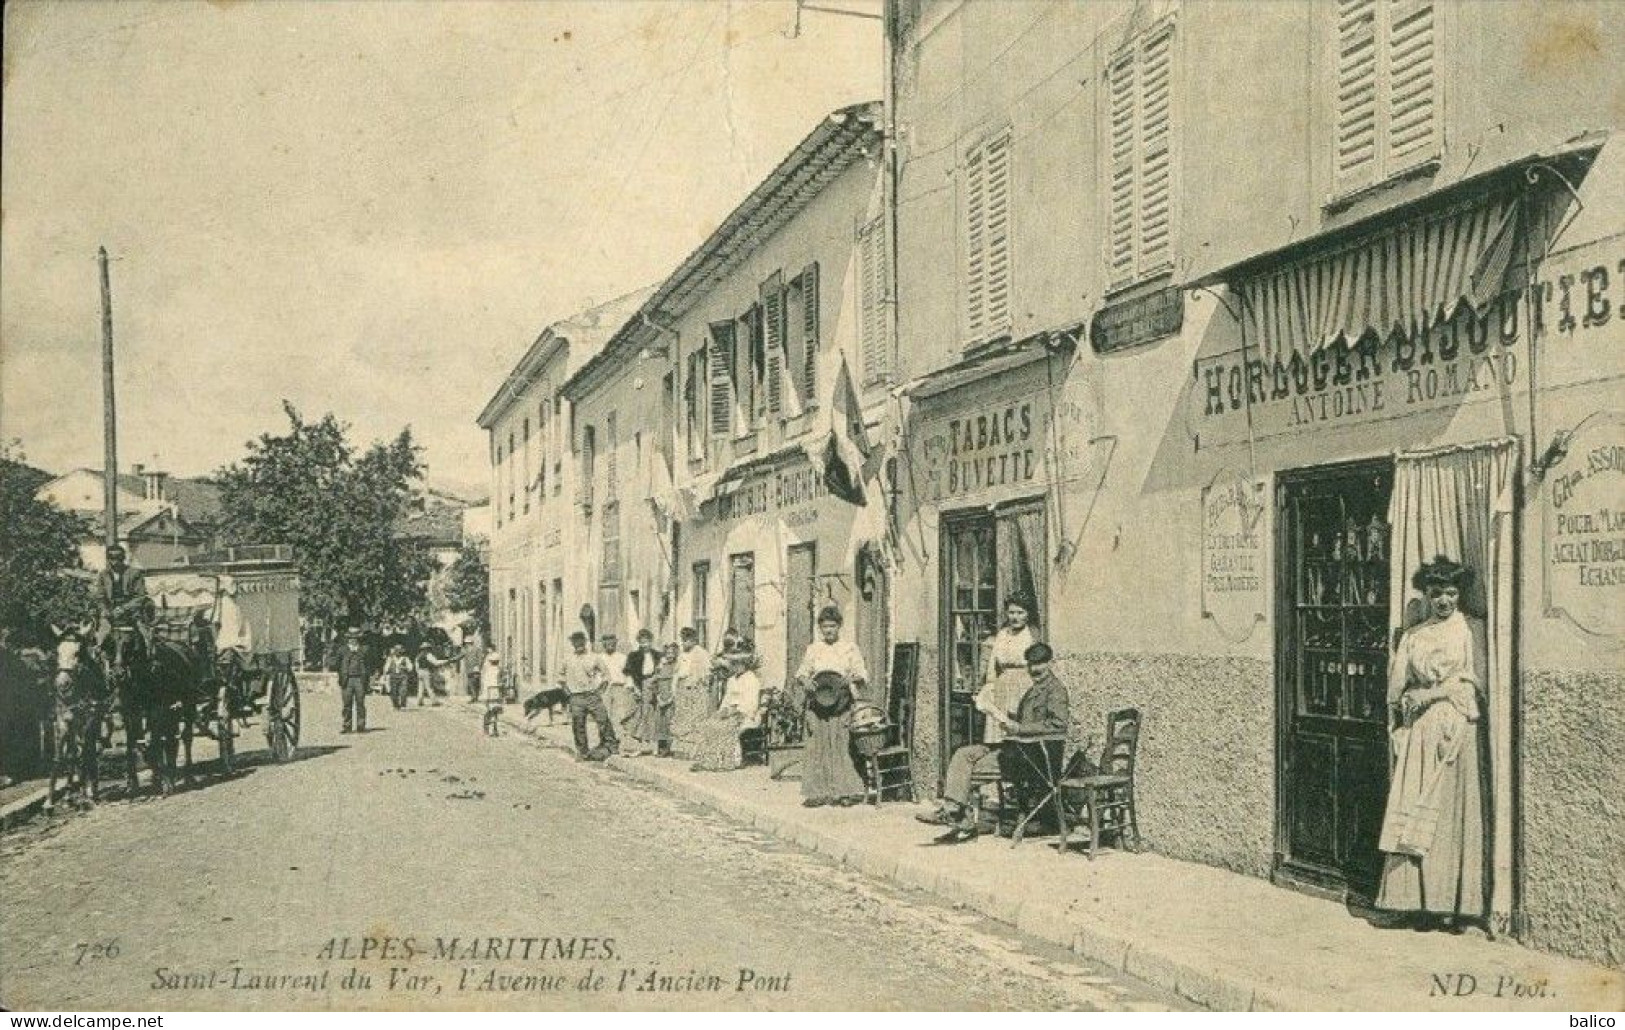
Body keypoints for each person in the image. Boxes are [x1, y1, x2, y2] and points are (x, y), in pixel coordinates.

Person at [1375, 556, 1488, 931]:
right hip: (1421, 732)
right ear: (1426, 595)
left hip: (1456, 729)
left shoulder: (1470, 631)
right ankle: (1410, 903)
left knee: (1451, 816)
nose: (1444, 601)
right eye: (1437, 593)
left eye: (1451, 593)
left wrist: (1434, 694)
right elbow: (1398, 688)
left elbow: (1474, 682)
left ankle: (1455, 907)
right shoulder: (1415, 636)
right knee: (1412, 810)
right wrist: (1406, 704)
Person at [921, 640, 1069, 836]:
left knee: (967, 771)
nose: (1034, 669)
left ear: (1050, 663)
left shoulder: (1056, 691)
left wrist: (1019, 728)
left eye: (1039, 664)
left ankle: (959, 818)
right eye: (1031, 664)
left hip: (1033, 757)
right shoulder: (1034, 689)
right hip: (1016, 748)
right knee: (963, 753)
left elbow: (1058, 725)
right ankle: (953, 811)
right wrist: (1002, 715)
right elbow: (1028, 720)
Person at [794, 606, 869, 807]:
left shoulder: (850, 648)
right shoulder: (813, 649)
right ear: (820, 628)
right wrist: (806, 682)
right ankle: (818, 793)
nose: (828, 630)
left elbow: (862, 673)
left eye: (832, 626)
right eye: (825, 626)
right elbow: (801, 673)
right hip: (818, 703)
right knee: (818, 747)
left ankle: (847, 791)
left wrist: (850, 678)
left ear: (839, 626)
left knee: (842, 745)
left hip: (842, 703)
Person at [691, 644, 764, 771]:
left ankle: (725, 761)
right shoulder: (731, 680)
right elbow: (726, 700)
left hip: (745, 715)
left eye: (738, 664)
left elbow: (751, 705)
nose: (735, 667)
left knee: (721, 727)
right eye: (733, 664)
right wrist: (723, 710)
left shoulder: (752, 679)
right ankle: (707, 760)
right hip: (730, 712)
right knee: (708, 724)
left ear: (744, 664)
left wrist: (734, 711)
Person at [95, 543, 153, 674]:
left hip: (131, 614)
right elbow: (100, 596)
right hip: (110, 615)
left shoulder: (134, 573)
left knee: (145, 637)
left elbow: (141, 596)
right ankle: (103, 666)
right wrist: (104, 609)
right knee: (100, 639)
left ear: (123, 558)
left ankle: (149, 660)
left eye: (118, 558)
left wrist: (124, 608)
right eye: (111, 558)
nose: (114, 562)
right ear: (108, 559)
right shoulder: (103, 575)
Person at [560, 630, 616, 759]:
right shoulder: (567, 659)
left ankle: (611, 746)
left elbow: (606, 675)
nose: (578, 644)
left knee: (603, 720)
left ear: (585, 642)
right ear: (572, 643)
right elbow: (561, 677)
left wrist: (600, 690)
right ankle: (582, 751)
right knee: (578, 724)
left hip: (592, 695)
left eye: (581, 641)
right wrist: (568, 693)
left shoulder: (594, 657)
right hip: (576, 697)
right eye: (575, 641)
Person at [621, 630, 667, 757]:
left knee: (654, 715)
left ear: (651, 641)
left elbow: (664, 669)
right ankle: (639, 746)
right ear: (639, 642)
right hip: (640, 686)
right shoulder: (633, 656)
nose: (644, 644)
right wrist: (635, 688)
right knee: (640, 715)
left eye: (647, 641)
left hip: (655, 686)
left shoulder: (657, 655)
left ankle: (655, 746)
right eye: (642, 642)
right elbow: (629, 673)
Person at [671, 627, 713, 750]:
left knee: (695, 718)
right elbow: (677, 671)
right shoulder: (682, 654)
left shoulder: (701, 653)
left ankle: (695, 749)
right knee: (682, 718)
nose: (684, 643)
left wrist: (700, 682)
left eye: (687, 640)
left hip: (696, 688)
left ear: (694, 640)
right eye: (683, 640)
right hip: (682, 687)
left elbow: (707, 672)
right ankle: (682, 748)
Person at [599, 633, 637, 741]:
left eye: (612, 642)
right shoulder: (599, 658)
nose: (610, 644)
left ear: (616, 643)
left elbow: (628, 674)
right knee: (604, 715)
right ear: (603, 644)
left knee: (620, 714)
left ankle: (621, 739)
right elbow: (595, 675)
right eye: (606, 642)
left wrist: (629, 686)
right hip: (604, 689)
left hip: (620, 687)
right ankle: (607, 740)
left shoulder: (623, 657)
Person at [337, 627, 369, 734]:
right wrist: (341, 676)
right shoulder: (342, 650)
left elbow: (370, 664)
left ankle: (361, 725)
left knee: (360, 703)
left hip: (360, 679)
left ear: (358, 639)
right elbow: (337, 664)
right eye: (351, 638)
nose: (353, 640)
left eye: (355, 638)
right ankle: (347, 725)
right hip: (347, 679)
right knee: (347, 704)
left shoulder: (364, 649)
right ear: (348, 639)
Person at [383, 644, 415, 710]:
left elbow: (410, 667)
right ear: (395, 651)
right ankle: (395, 705)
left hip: (403, 676)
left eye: (400, 651)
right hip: (393, 676)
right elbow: (386, 668)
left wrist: (405, 667)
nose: (399, 652)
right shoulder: (390, 658)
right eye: (397, 651)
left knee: (403, 691)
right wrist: (386, 674)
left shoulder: (405, 658)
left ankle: (403, 705)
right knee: (393, 692)